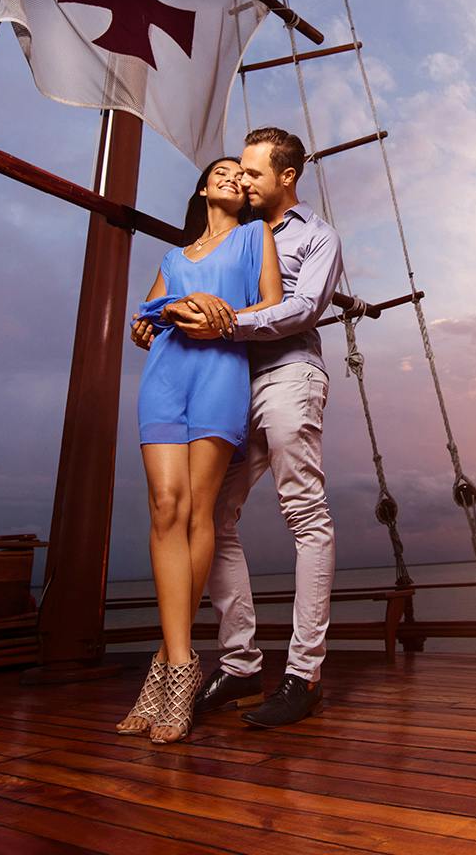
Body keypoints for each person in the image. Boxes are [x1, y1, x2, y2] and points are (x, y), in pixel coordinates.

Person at [133, 126, 342, 729]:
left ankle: (303, 674)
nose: (243, 181)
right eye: (236, 173)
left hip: (286, 375)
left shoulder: (316, 235)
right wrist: (168, 315)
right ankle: (240, 662)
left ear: (286, 177)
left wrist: (217, 322)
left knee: (303, 511)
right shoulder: (240, 235)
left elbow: (303, 308)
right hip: (225, 382)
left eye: (252, 173)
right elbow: (183, 294)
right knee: (213, 516)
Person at [117, 157, 281, 745]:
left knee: (196, 512)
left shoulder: (253, 237)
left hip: (219, 373)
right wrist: (155, 319)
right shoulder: (170, 259)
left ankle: (170, 670)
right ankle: (179, 662)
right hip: (165, 376)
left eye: (243, 175)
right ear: (204, 187)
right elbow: (144, 317)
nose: (234, 177)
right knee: (164, 505)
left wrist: (225, 313)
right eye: (223, 171)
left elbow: (272, 303)